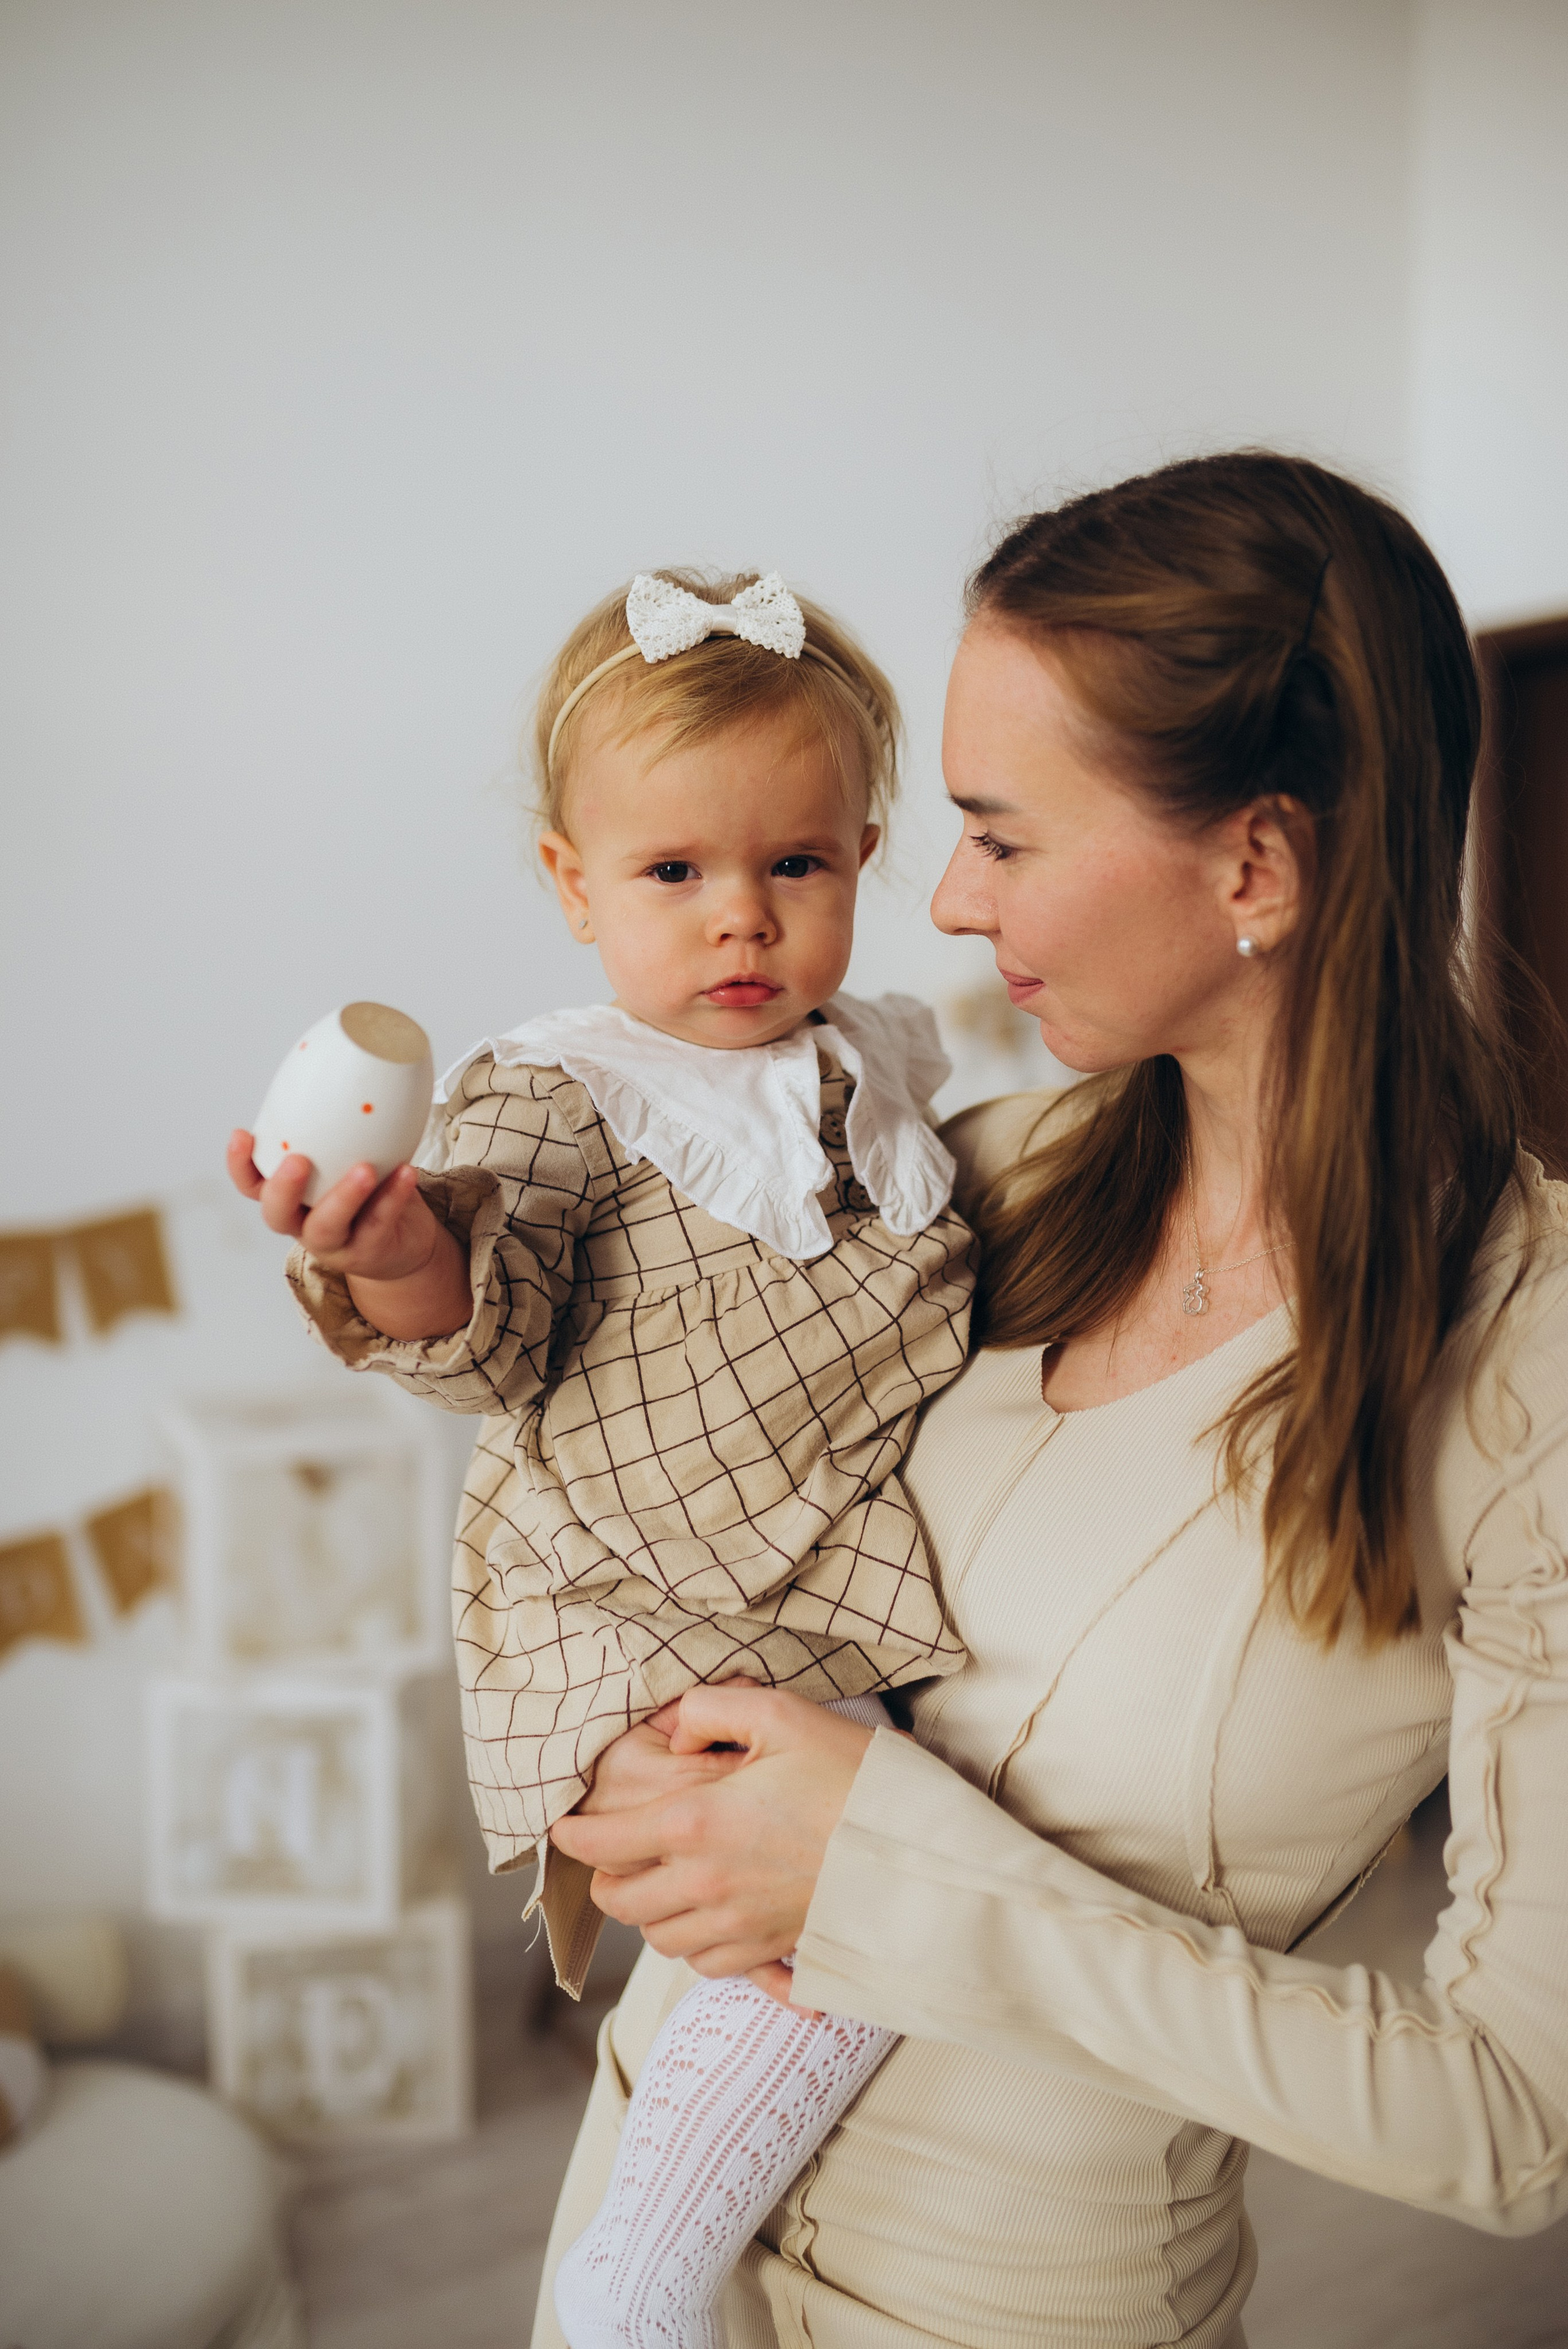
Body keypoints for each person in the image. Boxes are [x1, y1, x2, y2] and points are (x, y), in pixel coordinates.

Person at [539, 454, 1568, 2349]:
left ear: (1253, 864)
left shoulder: (1531, 1363)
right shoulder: (969, 1179)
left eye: (1005, 835)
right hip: (650, 2227)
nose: (936, 897)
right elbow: (629, 1424)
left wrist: (900, 1865)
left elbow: (1515, 2119)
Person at [227, 568, 978, 2349]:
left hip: (818, 1589)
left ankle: (684, 2268)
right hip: (639, 1605)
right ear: (572, 887)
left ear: (866, 854)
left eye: (796, 865)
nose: (743, 919)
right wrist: (395, 1251)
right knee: (868, 1898)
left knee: (868, 1908)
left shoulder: (880, 1060)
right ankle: (632, 2283)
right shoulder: (561, 1093)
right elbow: (491, 1317)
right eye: (672, 873)